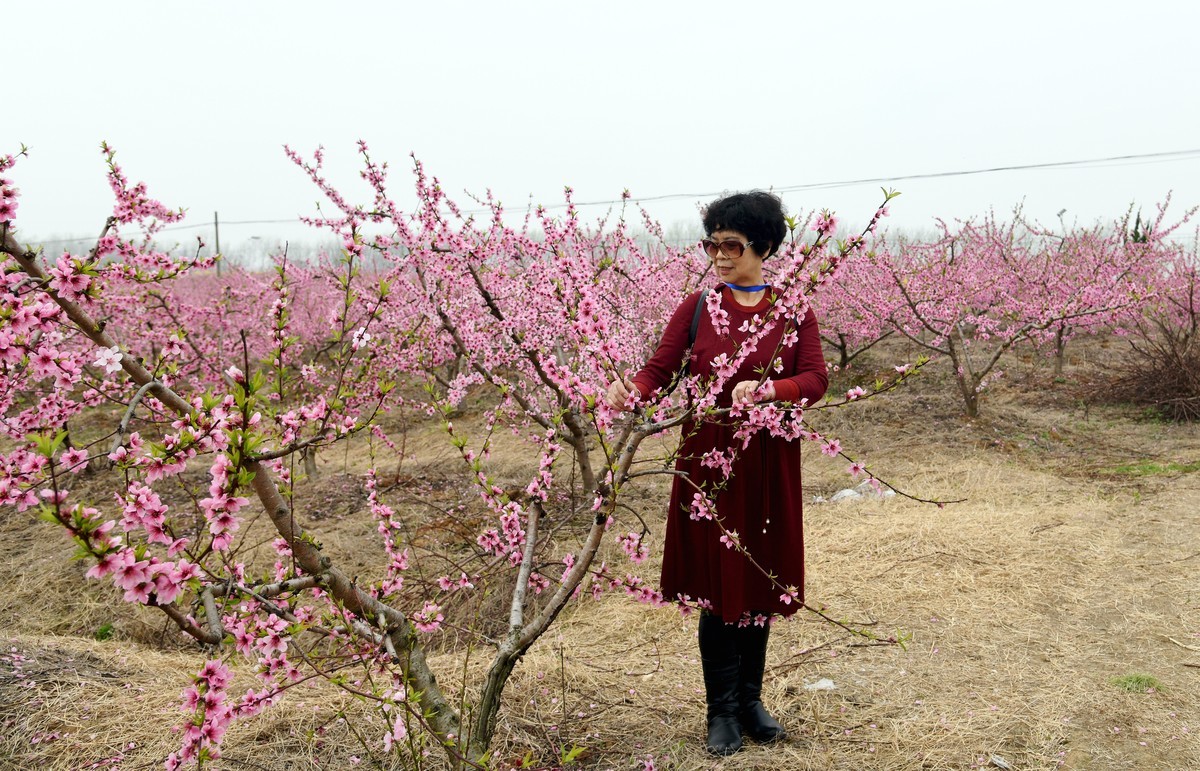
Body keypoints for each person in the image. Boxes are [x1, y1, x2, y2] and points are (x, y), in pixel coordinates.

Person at [605, 191, 828, 756]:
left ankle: (752, 702)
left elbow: (815, 380)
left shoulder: (793, 310)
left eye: (733, 244)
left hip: (768, 460)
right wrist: (628, 391)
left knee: (758, 578)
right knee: (718, 586)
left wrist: (773, 390)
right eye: (713, 243)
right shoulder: (698, 307)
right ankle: (721, 711)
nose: (720, 255)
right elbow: (660, 370)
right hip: (709, 461)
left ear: (766, 247)